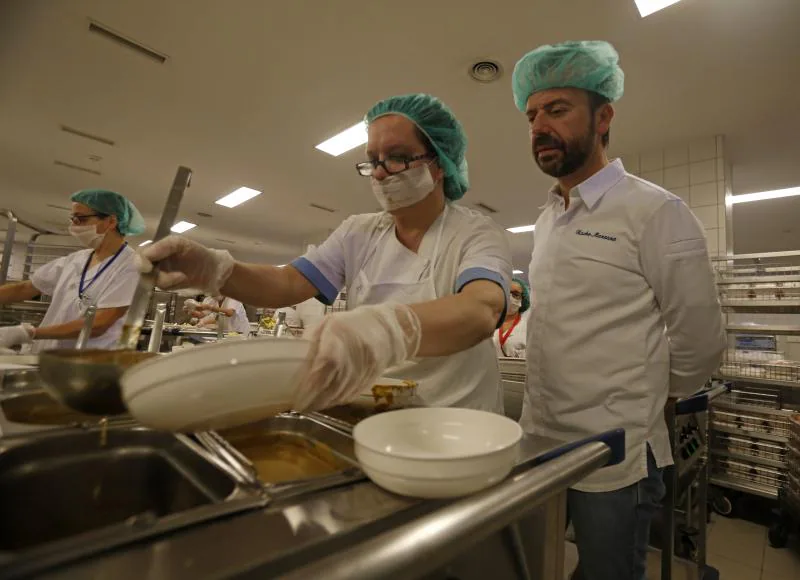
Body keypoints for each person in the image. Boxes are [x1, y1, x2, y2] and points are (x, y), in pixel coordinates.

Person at [138, 93, 512, 412]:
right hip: (376, 412)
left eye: (397, 156)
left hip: (459, 421)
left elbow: (481, 308)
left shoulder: (475, 233)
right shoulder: (360, 232)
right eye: (373, 159)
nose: (380, 173)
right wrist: (216, 270)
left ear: (440, 162)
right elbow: (287, 284)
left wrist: (384, 328)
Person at [511, 41, 725, 580]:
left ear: (603, 116)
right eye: (532, 114)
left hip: (614, 455)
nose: (539, 125)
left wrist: (649, 398)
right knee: (539, 567)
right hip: (541, 438)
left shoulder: (653, 211)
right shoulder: (546, 220)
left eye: (556, 110)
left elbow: (700, 340)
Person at [0, 189, 144, 351]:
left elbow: (99, 324)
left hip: (87, 364)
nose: (73, 225)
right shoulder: (77, 259)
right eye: (72, 218)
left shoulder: (131, 266)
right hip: (46, 356)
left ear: (111, 222)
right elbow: (25, 288)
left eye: (80, 219)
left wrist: (28, 333)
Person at [492, 277, 529, 358]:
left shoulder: (529, 326)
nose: (510, 298)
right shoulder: (490, 323)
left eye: (515, 294)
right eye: (506, 293)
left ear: (523, 298)